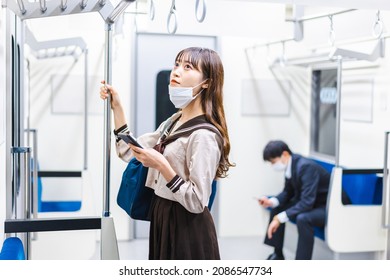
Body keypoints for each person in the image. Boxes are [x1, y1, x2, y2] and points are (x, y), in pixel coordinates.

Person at [100, 47, 234, 260]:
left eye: (187, 67)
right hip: (162, 215)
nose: (176, 72)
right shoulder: (174, 121)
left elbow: (198, 201)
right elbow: (128, 151)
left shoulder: (205, 135)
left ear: (207, 82)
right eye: (176, 64)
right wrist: (117, 107)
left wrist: (162, 165)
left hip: (187, 226)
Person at [257, 140, 330, 260]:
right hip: (312, 202)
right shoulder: (291, 165)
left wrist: (280, 219)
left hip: (326, 207)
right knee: (277, 209)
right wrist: (272, 201)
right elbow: (287, 192)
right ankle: (278, 254)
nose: (273, 165)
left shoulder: (305, 167)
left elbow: (306, 202)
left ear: (285, 154)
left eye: (273, 162)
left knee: (303, 219)